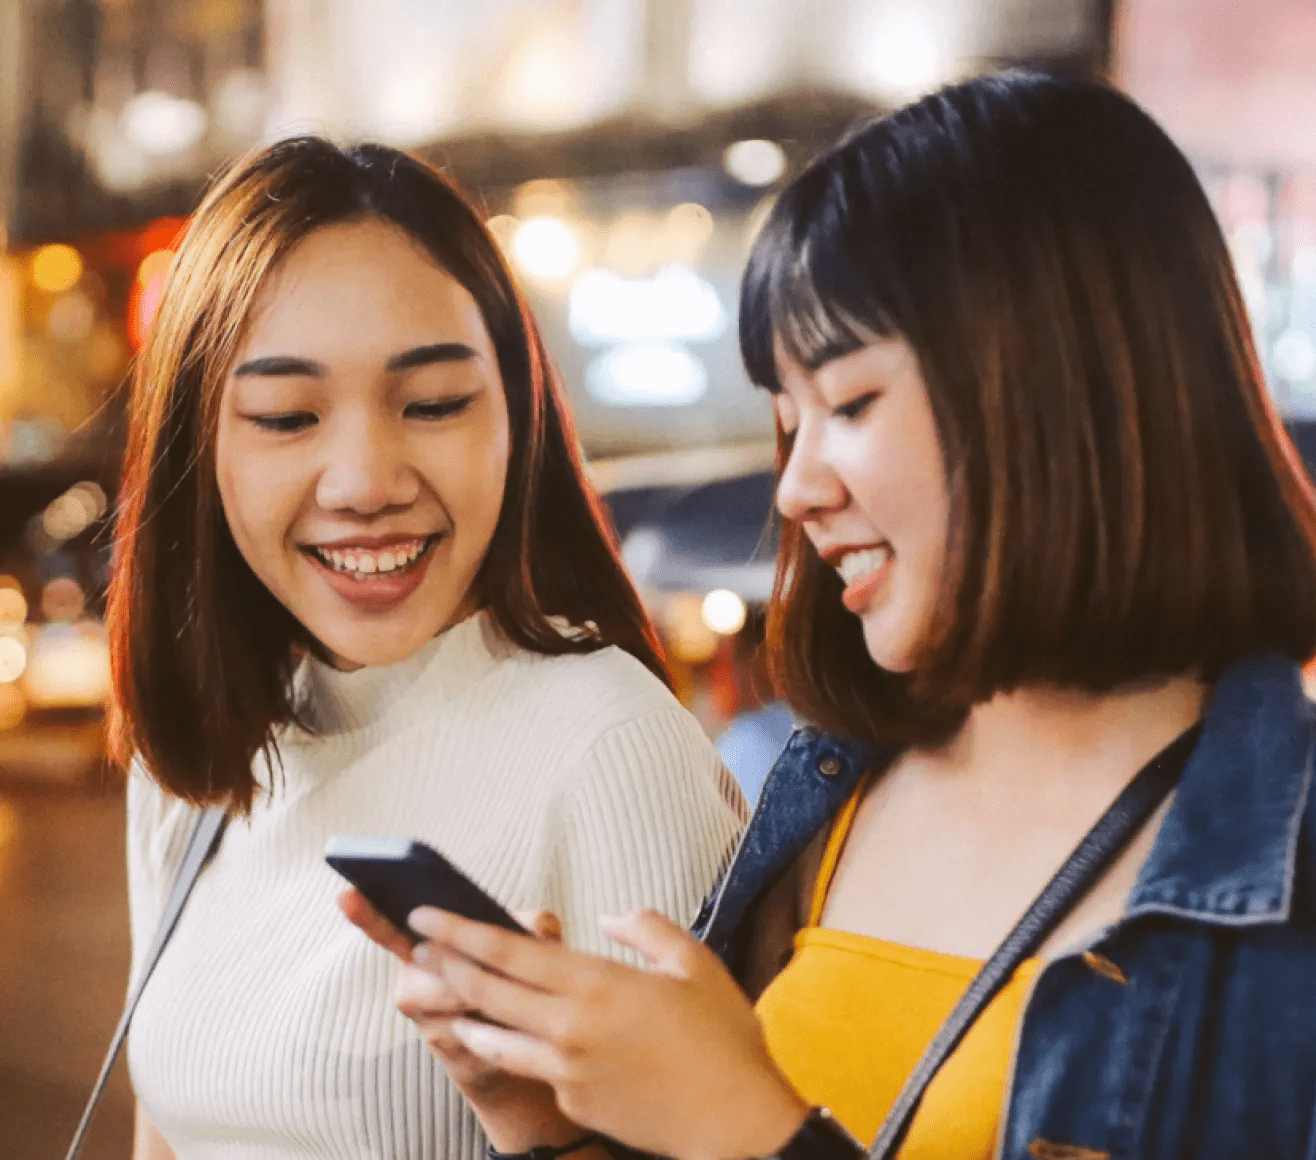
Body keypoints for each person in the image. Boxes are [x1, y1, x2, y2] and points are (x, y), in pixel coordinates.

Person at [380, 71, 1316, 1160]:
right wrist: (557, 1130)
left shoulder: (1282, 877)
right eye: (789, 419)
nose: (796, 485)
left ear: (1062, 383)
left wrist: (750, 1131)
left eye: (851, 403)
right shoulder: (825, 788)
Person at [108, 136, 745, 1160]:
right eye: (286, 415)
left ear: (518, 419)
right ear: (201, 448)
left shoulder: (607, 746)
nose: (363, 477)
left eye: (433, 403)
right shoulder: (195, 758)